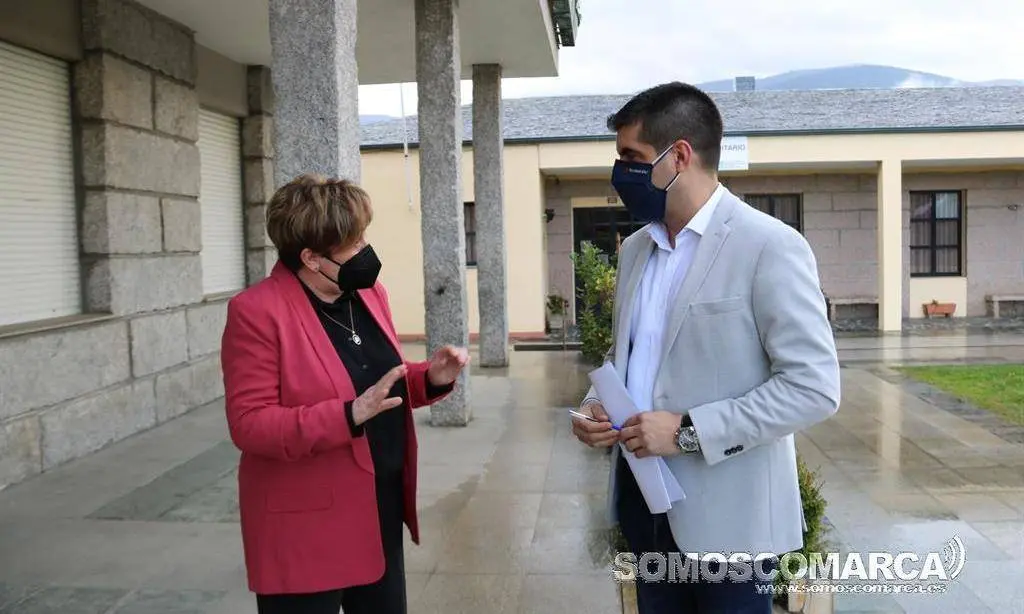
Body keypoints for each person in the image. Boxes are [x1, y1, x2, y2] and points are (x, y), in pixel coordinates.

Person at [571, 82, 840, 613]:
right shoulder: (637, 250)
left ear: (679, 156)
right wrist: (595, 405)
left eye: (632, 158)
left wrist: (687, 431)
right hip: (644, 509)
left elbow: (813, 388)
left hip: (731, 526)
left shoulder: (769, 246)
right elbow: (634, 356)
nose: (620, 172)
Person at [220, 174, 470, 614]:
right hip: (305, 524)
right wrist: (347, 415)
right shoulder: (257, 312)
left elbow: (379, 384)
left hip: (377, 508)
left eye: (363, 237)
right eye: (354, 244)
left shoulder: (369, 295)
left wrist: (430, 377)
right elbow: (250, 425)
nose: (365, 250)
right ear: (311, 258)